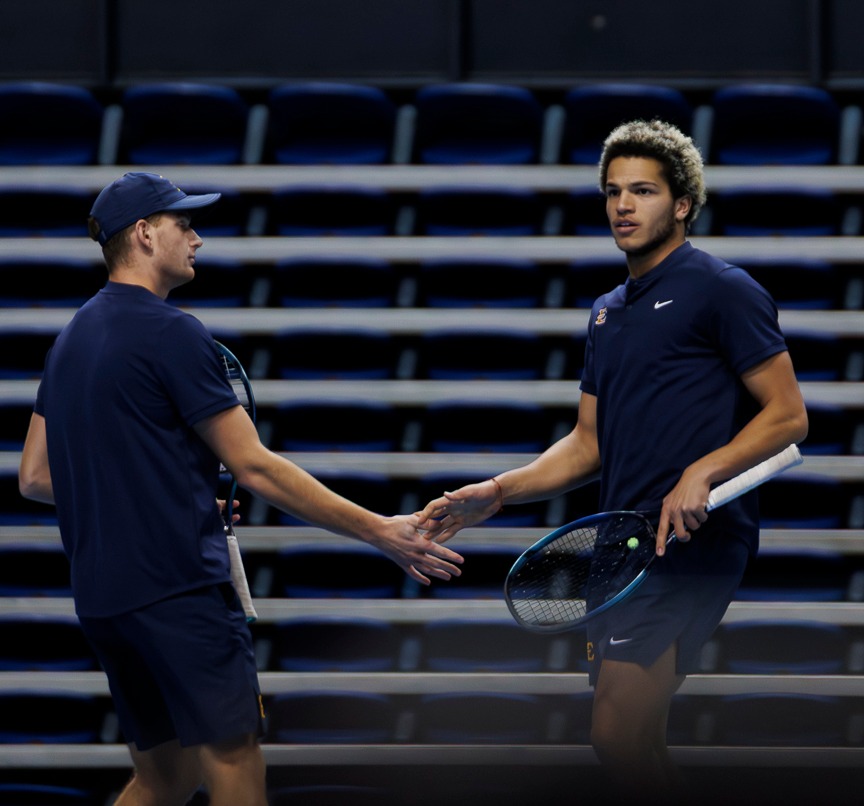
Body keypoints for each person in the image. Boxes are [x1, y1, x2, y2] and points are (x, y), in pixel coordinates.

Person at [18, 171, 464, 806]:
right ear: (144, 234)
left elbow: (34, 477)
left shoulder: (70, 339)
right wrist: (380, 530)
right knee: (235, 762)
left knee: (164, 777)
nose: (197, 238)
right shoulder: (173, 331)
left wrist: (151, 487)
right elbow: (254, 467)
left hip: (105, 598)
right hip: (179, 590)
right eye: (184, 225)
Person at [417, 120, 808, 800]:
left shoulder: (723, 289)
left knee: (614, 736)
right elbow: (587, 444)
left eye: (644, 191)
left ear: (682, 204)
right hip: (622, 546)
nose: (624, 206)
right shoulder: (605, 313)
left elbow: (788, 415)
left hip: (692, 539)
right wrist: (499, 491)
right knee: (641, 744)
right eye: (613, 192)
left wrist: (702, 470)